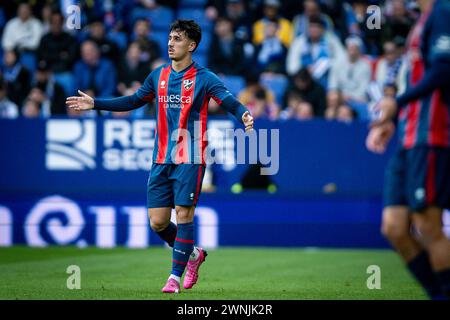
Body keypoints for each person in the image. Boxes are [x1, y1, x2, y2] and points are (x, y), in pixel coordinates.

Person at [66, 20, 254, 294]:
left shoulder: (205, 77)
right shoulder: (158, 75)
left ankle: (173, 278)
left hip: (190, 156)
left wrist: (244, 114)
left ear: (191, 45)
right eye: (169, 38)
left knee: (184, 213)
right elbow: (132, 101)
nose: (170, 43)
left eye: (177, 39)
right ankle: (192, 255)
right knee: (158, 222)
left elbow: (229, 102)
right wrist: (96, 104)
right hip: (161, 159)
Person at [366, 0, 450, 300]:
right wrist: (393, 120)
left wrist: (397, 104)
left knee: (428, 225)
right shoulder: (421, 21)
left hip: (432, 135)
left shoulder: (442, 12)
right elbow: (414, 79)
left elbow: (443, 71)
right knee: (394, 227)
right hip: (408, 137)